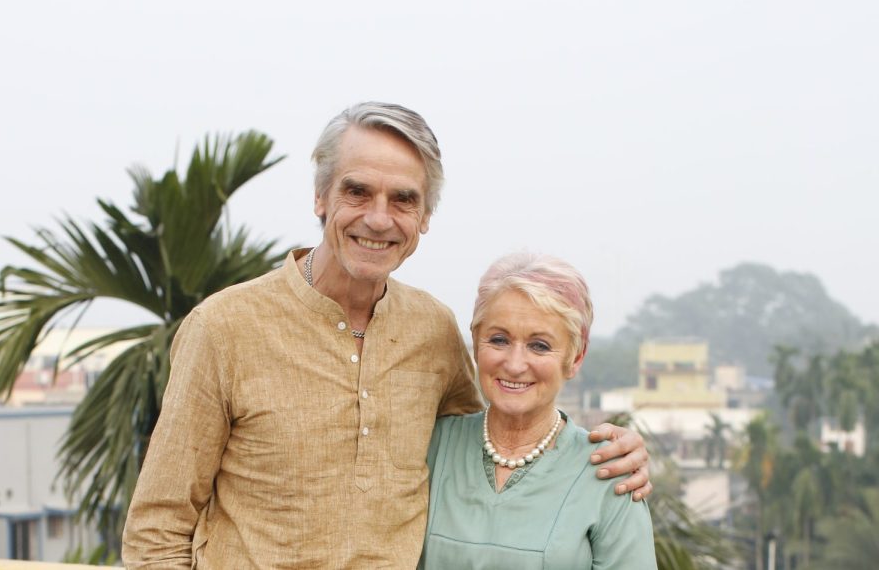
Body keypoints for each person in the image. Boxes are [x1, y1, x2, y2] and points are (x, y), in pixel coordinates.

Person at [121, 102, 652, 569]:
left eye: (403, 199)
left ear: (423, 218)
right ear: (320, 196)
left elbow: (496, 432)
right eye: (357, 191)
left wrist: (605, 453)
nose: (379, 219)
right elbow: (158, 528)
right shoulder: (225, 327)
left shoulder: (433, 330)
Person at [420, 252, 656, 569]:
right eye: (499, 339)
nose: (515, 364)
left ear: (575, 357)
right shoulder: (429, 446)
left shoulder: (609, 473)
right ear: (476, 343)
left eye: (539, 345)